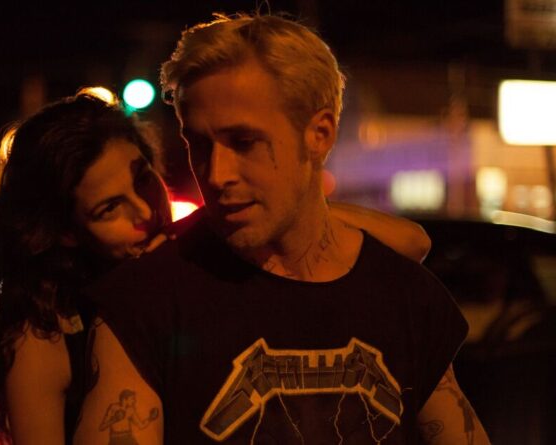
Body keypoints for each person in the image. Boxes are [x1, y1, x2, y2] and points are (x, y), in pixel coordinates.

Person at [74, 13, 490, 445]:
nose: (216, 174)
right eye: (199, 144)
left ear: (319, 134)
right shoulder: (145, 303)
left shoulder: (405, 297)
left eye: (244, 142)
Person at [0, 91, 432, 445]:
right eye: (109, 208)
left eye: (143, 178)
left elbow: (413, 244)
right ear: (65, 233)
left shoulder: (193, 252)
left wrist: (279, 210)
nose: (145, 211)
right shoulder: (44, 333)